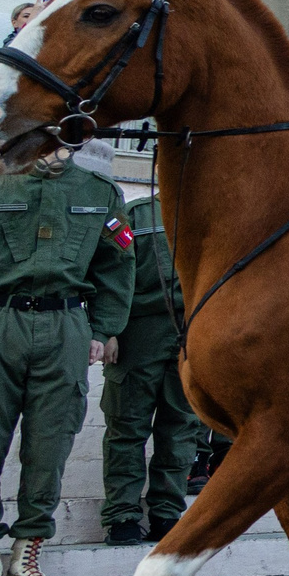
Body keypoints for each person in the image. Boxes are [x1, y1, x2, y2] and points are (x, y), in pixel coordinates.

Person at [0, 139, 134, 576]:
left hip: (67, 327)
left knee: (51, 447)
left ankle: (25, 559)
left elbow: (118, 265)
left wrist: (103, 329)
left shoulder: (99, 190)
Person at [100, 183, 202, 545]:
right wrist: (107, 328)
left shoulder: (213, 213)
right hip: (138, 333)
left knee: (181, 427)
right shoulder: (135, 215)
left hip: (191, 334)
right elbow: (109, 271)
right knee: (126, 427)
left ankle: (166, 513)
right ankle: (122, 516)